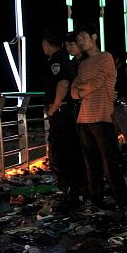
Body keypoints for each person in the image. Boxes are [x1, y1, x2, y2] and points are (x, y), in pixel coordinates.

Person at [70, 22, 127, 209]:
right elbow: (73, 91)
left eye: (84, 37)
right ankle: (96, 200)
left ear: (94, 37)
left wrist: (82, 89)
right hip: (84, 119)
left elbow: (97, 82)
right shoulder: (83, 64)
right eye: (78, 38)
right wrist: (82, 90)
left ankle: (123, 202)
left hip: (103, 116)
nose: (80, 41)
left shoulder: (105, 57)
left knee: (110, 163)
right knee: (91, 163)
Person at [41, 29, 86, 200]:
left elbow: (63, 83)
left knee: (61, 151)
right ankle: (75, 186)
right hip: (67, 112)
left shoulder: (57, 61)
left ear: (46, 44)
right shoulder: (66, 60)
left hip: (61, 113)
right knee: (69, 149)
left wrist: (53, 107)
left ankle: (70, 187)